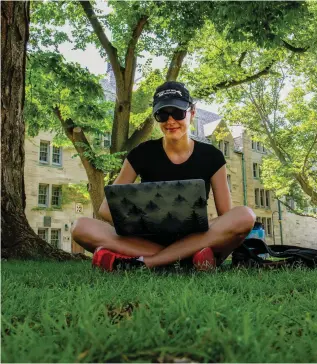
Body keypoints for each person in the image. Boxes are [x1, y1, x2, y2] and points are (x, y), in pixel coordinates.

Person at [71, 81, 256, 271]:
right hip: (149, 239)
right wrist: (139, 222)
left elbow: (227, 217)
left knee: (244, 215)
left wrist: (199, 231)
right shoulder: (140, 153)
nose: (170, 121)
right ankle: (185, 260)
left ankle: (146, 263)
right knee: (81, 227)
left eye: (177, 113)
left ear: (192, 113)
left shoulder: (212, 156)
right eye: (162, 114)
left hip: (196, 238)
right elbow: (105, 209)